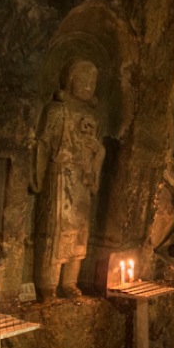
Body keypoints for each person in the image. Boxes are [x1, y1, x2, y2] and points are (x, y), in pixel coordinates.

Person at [30, 59, 105, 300]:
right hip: (60, 177)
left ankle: (70, 282)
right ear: (69, 80)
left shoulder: (91, 116)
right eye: (82, 80)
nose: (87, 85)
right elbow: (42, 143)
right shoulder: (57, 110)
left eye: (92, 82)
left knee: (80, 234)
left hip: (82, 181)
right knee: (56, 232)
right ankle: (47, 284)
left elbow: (97, 150)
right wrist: (37, 174)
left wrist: (97, 154)